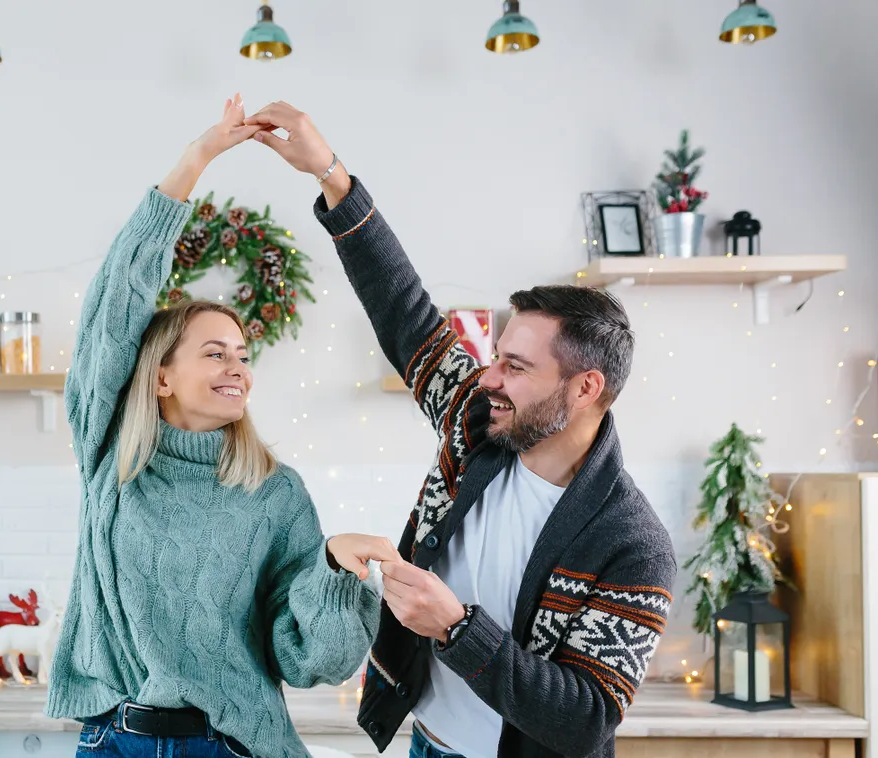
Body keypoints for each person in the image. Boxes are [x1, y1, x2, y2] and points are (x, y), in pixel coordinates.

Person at [246, 102, 677, 758]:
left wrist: (454, 629)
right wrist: (330, 176)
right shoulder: (477, 424)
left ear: (585, 388)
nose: (488, 377)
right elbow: (405, 313)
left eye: (515, 366)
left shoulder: (632, 545)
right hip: (426, 742)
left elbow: (586, 719)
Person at [45, 94, 391, 758]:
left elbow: (307, 661)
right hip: (112, 742)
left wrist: (331, 570)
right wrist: (196, 157)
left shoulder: (273, 493)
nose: (237, 368)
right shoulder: (110, 458)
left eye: (242, 354)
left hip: (227, 745)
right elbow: (113, 305)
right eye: (213, 352)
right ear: (160, 376)